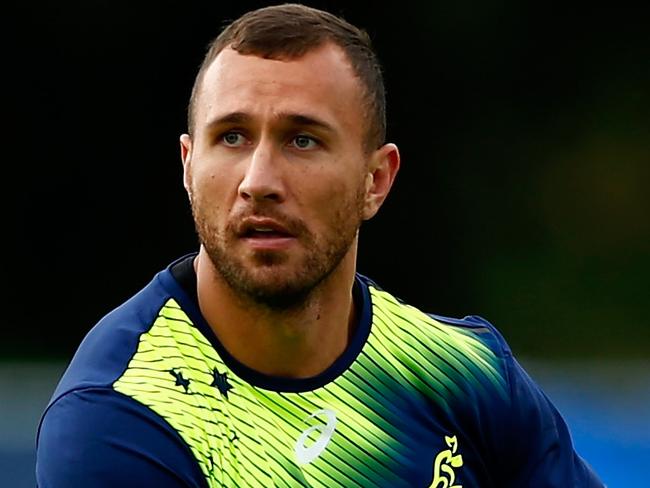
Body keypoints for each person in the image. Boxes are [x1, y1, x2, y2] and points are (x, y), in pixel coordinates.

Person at [36, 4, 604, 487]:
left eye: (302, 140)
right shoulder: (122, 418)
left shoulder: (465, 375)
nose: (258, 180)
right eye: (231, 137)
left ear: (375, 181)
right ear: (189, 167)